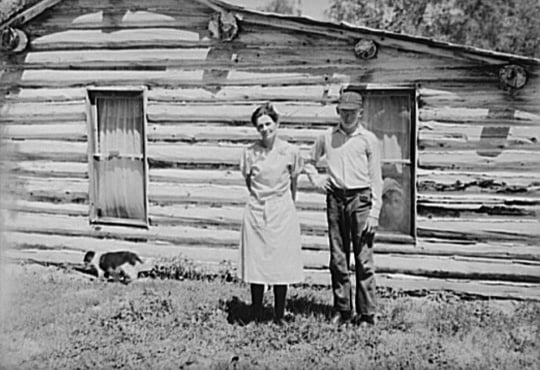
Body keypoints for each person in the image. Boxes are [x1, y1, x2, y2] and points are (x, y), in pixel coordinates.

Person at [304, 90, 383, 326]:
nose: (347, 116)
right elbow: (309, 161)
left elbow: (376, 177)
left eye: (352, 112)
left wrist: (375, 212)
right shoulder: (327, 137)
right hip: (336, 199)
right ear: (338, 112)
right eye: (343, 111)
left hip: (361, 200)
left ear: (360, 113)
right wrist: (317, 180)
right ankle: (342, 309)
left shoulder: (368, 139)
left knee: (364, 260)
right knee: (338, 258)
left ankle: (367, 314)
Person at [238, 102, 304, 324]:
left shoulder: (290, 151)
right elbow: (249, 181)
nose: (265, 129)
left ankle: (279, 314)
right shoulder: (249, 153)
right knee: (257, 262)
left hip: (282, 212)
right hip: (257, 210)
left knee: (280, 263)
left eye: (268, 124)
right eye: (260, 126)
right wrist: (261, 200)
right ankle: (256, 311)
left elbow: (294, 181)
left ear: (277, 123)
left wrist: (285, 204)